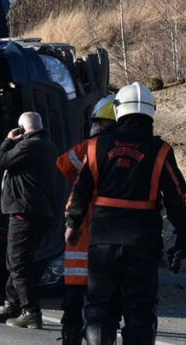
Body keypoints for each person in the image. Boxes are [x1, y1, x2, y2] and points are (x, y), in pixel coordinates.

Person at [65, 82, 186, 345]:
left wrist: (73, 222)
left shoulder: (95, 146)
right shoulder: (161, 150)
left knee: (100, 306)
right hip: (143, 241)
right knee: (139, 310)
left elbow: (81, 190)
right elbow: (176, 198)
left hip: (102, 239)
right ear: (151, 112)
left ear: (119, 110)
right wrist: (183, 238)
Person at [54, 95, 117, 345]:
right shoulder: (135, 150)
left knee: (74, 302)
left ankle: (72, 339)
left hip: (81, 233)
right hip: (113, 238)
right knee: (107, 306)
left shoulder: (90, 148)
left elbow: (64, 164)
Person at [0, 111, 58, 330]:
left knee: (17, 263)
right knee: (18, 261)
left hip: (24, 212)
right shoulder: (48, 145)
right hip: (37, 212)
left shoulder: (29, 146)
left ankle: (31, 311)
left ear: (22, 128)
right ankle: (13, 304)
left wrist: (8, 140)